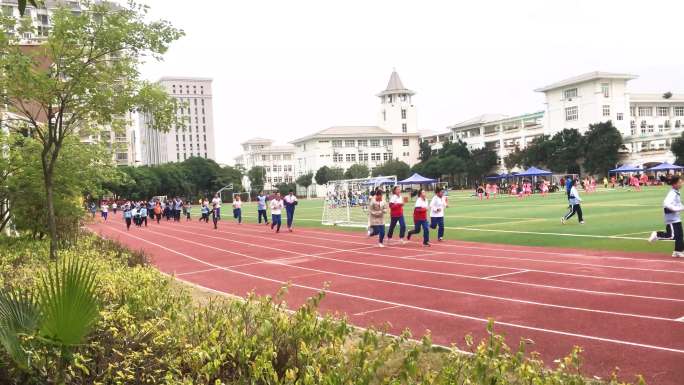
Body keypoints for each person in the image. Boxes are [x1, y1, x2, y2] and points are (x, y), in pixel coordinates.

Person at [648, 175, 684, 258]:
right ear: (674, 184)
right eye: (680, 182)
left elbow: (678, 203)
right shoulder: (672, 193)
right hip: (671, 218)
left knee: (680, 235)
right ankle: (657, 234)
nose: (681, 183)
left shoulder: (676, 192)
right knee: (672, 236)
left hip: (676, 218)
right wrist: (678, 209)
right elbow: (666, 203)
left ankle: (678, 251)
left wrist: (681, 207)